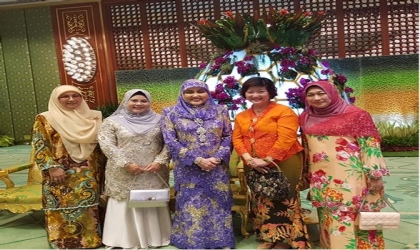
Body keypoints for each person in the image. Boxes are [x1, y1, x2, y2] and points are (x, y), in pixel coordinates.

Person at [299, 80, 389, 249]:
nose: (316, 98)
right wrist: (305, 173)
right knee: (329, 217)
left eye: (321, 93)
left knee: (358, 217)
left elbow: (370, 146)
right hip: (322, 179)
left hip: (353, 177)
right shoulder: (305, 117)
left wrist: (375, 175)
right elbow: (306, 148)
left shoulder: (357, 115)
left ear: (333, 93)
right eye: (310, 95)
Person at [232, 77, 310, 249]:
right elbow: (237, 139)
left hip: (284, 162)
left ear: (270, 92)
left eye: (261, 91)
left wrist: (267, 159)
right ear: (245, 93)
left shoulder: (283, 111)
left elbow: (287, 138)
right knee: (261, 198)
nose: (255, 95)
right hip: (252, 163)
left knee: (283, 197)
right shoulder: (242, 116)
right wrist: (249, 159)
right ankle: (269, 237)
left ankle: (287, 240)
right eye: (250, 91)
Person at [161, 79, 235, 249]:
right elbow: (171, 141)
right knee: (191, 202)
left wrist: (217, 158)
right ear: (182, 93)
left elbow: (228, 136)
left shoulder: (220, 110)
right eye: (190, 92)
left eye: (200, 91)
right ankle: (193, 241)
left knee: (218, 202)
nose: (195, 95)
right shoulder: (171, 112)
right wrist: (197, 160)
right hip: (188, 168)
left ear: (207, 92)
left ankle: (221, 240)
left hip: (217, 167)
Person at [31, 85, 104, 249]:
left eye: (75, 95)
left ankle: (92, 239)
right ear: (56, 99)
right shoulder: (45, 118)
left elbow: (103, 143)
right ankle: (65, 241)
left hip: (91, 170)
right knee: (64, 204)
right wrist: (51, 167)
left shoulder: (94, 117)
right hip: (61, 171)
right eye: (65, 96)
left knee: (91, 205)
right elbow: (40, 145)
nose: (71, 99)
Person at [98, 89, 172, 249]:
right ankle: (123, 239)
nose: (139, 104)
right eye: (134, 100)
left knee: (151, 200)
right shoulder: (111, 122)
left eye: (143, 101)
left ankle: (155, 238)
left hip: (153, 170)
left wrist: (160, 161)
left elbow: (170, 143)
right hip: (122, 171)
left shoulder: (162, 120)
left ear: (149, 102)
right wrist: (126, 163)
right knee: (123, 201)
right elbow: (107, 144)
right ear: (126, 102)